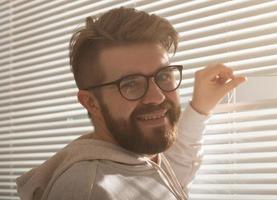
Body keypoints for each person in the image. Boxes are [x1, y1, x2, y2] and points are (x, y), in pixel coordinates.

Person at [16, 7, 246, 200]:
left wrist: (199, 109)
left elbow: (169, 171)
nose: (157, 97)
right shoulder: (89, 190)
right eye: (130, 84)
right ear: (91, 102)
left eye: (164, 76)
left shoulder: (133, 159)